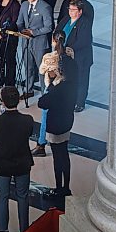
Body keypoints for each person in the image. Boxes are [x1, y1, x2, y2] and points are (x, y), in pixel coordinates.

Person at [0, 86, 34, 232]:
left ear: (3, 101)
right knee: (23, 196)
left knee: (3, 196)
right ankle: (24, 230)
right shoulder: (27, 120)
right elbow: (28, 133)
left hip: (3, 163)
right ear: (18, 101)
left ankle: (3, 229)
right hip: (22, 163)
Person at [37, 31, 78, 197]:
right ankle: (66, 187)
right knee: (65, 154)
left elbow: (42, 103)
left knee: (57, 157)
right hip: (67, 121)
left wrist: (52, 84)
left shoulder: (57, 89)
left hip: (55, 124)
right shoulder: (72, 86)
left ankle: (58, 187)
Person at [16, 0, 54, 99]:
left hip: (40, 44)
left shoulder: (45, 7)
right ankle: (29, 90)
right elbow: (19, 22)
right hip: (26, 42)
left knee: (42, 70)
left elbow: (49, 27)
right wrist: (22, 31)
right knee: (28, 67)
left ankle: (44, 93)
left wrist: (33, 32)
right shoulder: (24, 5)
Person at [55, 0, 93, 112]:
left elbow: (84, 40)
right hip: (66, 56)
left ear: (80, 11)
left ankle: (80, 102)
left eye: (73, 10)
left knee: (81, 80)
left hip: (81, 58)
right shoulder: (66, 19)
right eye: (69, 9)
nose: (70, 12)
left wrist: (68, 49)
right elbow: (58, 30)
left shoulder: (84, 22)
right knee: (67, 79)